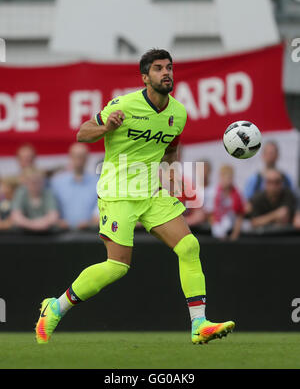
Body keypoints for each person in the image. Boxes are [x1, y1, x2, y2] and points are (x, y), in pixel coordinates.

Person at [35, 49, 234, 345]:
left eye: (169, 67)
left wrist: (170, 174)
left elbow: (170, 149)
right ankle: (55, 307)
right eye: (158, 69)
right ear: (145, 77)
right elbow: (83, 133)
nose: (166, 73)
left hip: (151, 191)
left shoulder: (178, 113)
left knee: (190, 246)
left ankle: (199, 324)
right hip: (118, 192)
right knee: (117, 266)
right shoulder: (124, 104)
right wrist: (106, 127)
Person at [50, 143, 99, 230]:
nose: (79, 159)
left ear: (87, 158)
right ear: (70, 157)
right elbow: (51, 206)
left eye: (82, 156)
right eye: (76, 156)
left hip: (90, 233)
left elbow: (100, 208)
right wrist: (57, 220)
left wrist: (92, 222)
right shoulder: (57, 182)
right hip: (61, 234)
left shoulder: (97, 183)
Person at [211, 165, 244, 240]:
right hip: (218, 227)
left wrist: (235, 234)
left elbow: (239, 215)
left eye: (229, 178)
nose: (227, 181)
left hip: (231, 226)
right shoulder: (214, 193)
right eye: (224, 177)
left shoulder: (237, 195)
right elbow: (211, 213)